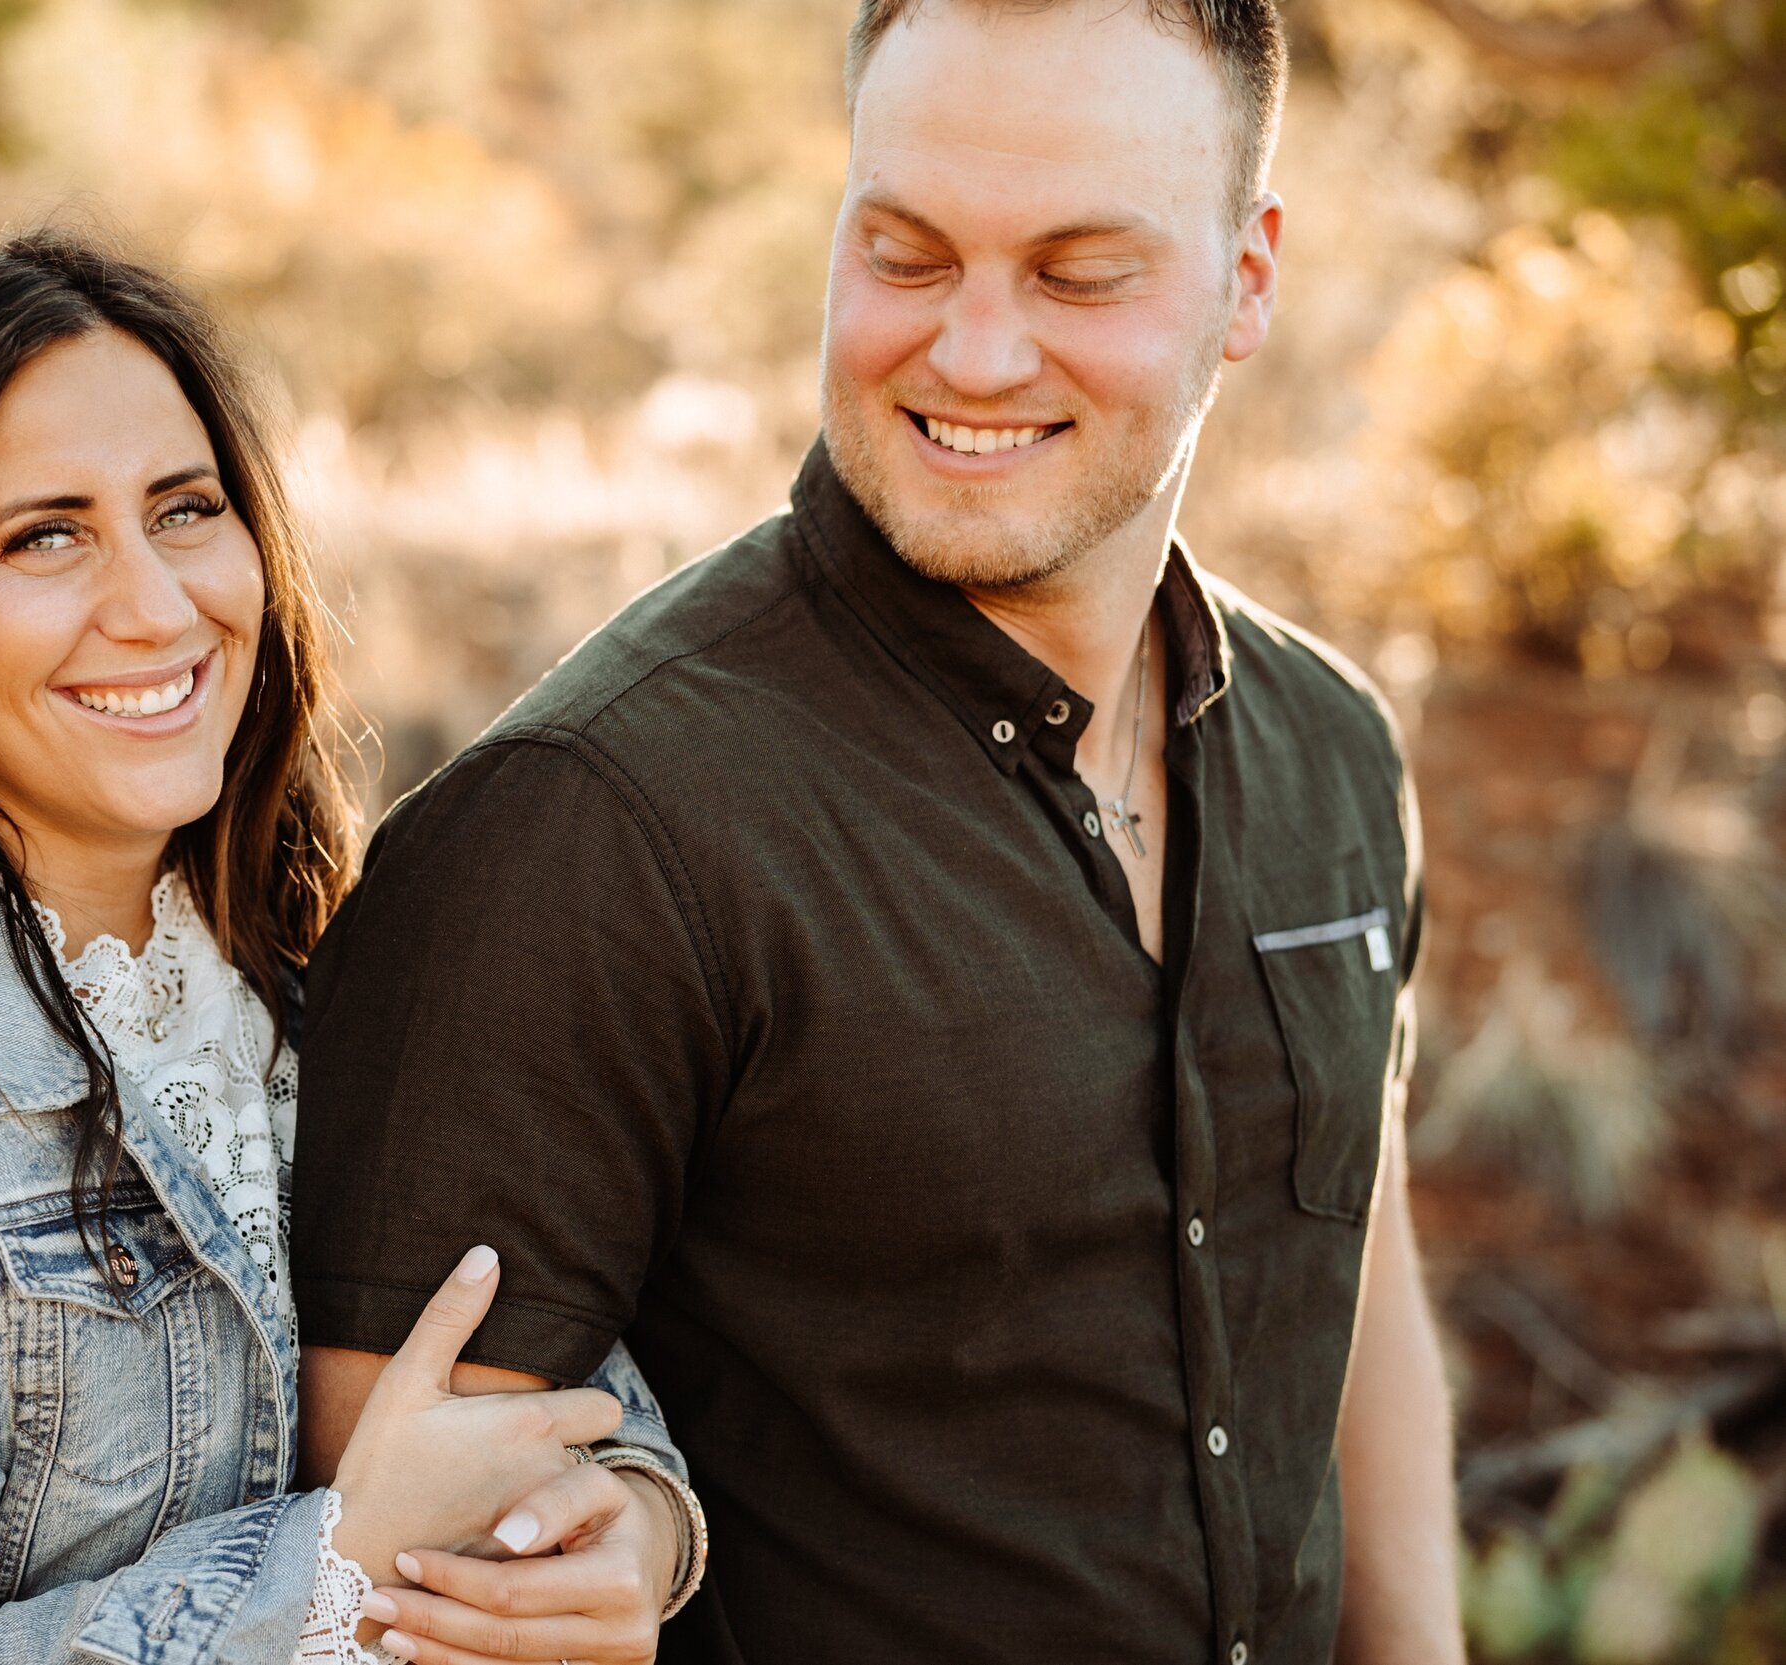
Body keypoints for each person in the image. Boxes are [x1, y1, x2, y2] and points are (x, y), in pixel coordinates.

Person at [290, 2, 1463, 1661]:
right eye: (907, 254)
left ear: (1248, 277)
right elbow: (401, 1576)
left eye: (1077, 273)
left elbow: (1355, 1285)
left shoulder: (1334, 747)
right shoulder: (586, 833)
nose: (974, 355)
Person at [0, 230, 705, 1665]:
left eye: (185, 510)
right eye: (45, 534)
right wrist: (333, 1569)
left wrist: (633, 1525)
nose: (160, 605)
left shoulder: (350, 994)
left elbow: (572, 1368)